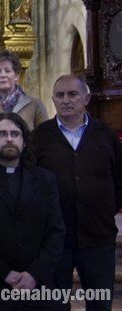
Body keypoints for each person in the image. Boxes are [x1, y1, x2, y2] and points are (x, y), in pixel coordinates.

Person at [34, 75, 122, 311]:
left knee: (100, 303)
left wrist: (103, 208)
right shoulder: (40, 136)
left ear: (86, 98)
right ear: (53, 100)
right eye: (60, 95)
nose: (66, 100)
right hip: (54, 238)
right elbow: (32, 184)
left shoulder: (105, 134)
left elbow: (119, 180)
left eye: (72, 94)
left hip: (98, 236)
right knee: (54, 304)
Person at [0, 112, 65, 309]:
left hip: (38, 285)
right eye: (2, 134)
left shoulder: (45, 180)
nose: (9, 138)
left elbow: (56, 232)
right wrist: (4, 273)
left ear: (24, 141)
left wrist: (34, 273)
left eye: (15, 134)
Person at [0, 50, 48, 130]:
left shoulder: (35, 105)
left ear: (16, 75)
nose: (3, 75)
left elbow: (45, 135)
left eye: (7, 71)